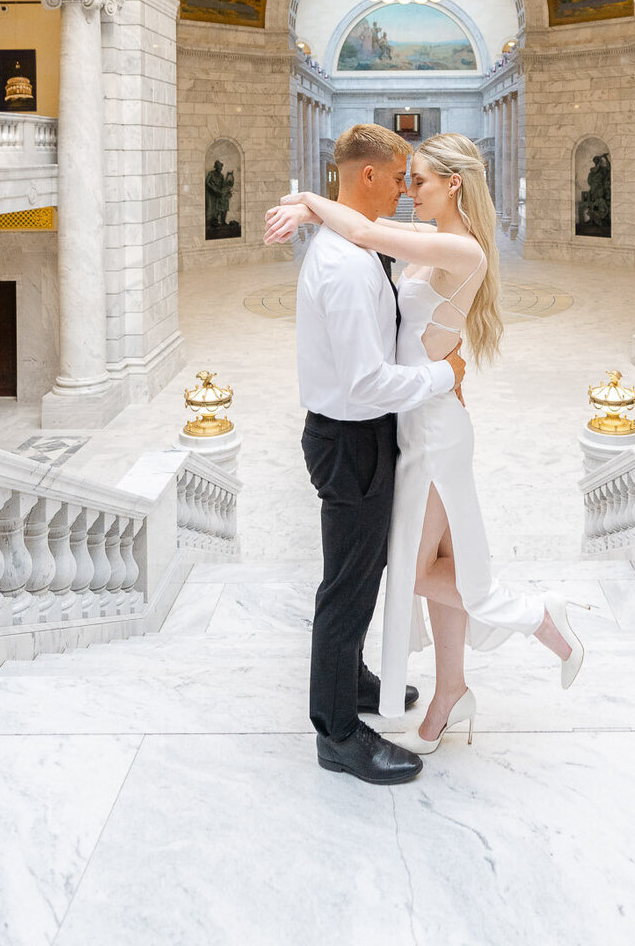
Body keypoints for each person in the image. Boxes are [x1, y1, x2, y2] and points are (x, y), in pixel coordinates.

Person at [266, 132, 587, 758]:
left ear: (454, 183)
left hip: (433, 428)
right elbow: (367, 246)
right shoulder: (415, 248)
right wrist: (317, 203)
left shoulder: (457, 247)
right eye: (402, 179)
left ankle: (537, 614)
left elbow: (362, 232)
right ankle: (450, 691)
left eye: (418, 181)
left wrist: (308, 199)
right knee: (418, 562)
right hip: (407, 418)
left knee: (413, 569)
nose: (407, 192)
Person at [276, 123, 467, 787]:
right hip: (351, 434)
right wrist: (445, 379)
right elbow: (366, 382)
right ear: (367, 177)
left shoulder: (348, 246)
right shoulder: (349, 267)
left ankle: (351, 679)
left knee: (357, 572)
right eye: (397, 177)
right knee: (348, 587)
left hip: (355, 433)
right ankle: (338, 735)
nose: (404, 190)